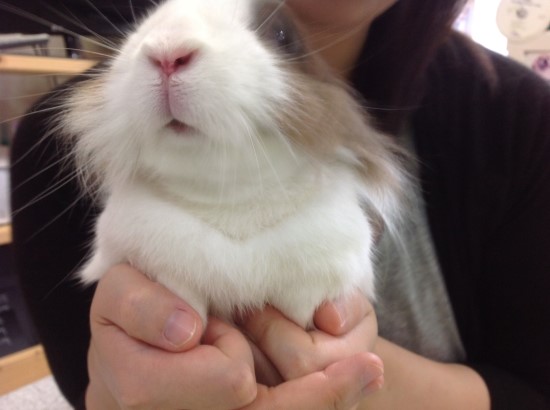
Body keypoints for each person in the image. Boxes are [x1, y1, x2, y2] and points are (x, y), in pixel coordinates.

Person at [10, 0, 550, 408]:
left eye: (278, 37)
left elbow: (531, 389)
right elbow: (83, 385)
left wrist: (357, 377)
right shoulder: (55, 149)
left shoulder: (518, 121)